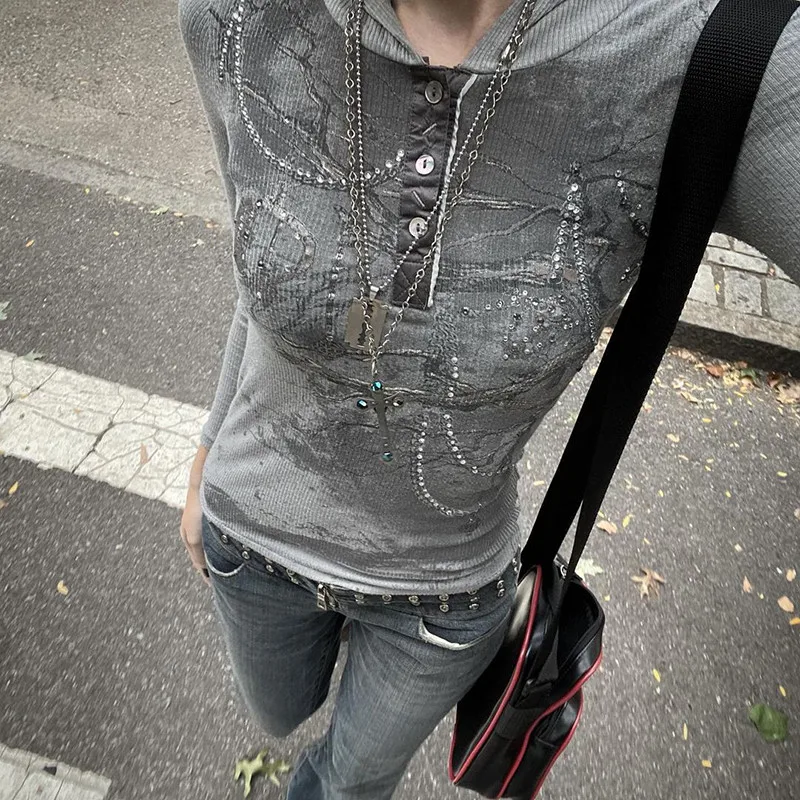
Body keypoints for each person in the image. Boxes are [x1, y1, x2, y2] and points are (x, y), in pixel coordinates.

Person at [177, 0, 800, 797]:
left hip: (442, 600)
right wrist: (205, 452)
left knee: (351, 779)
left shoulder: (710, 50)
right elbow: (261, 262)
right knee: (279, 714)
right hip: (250, 538)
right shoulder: (236, 15)